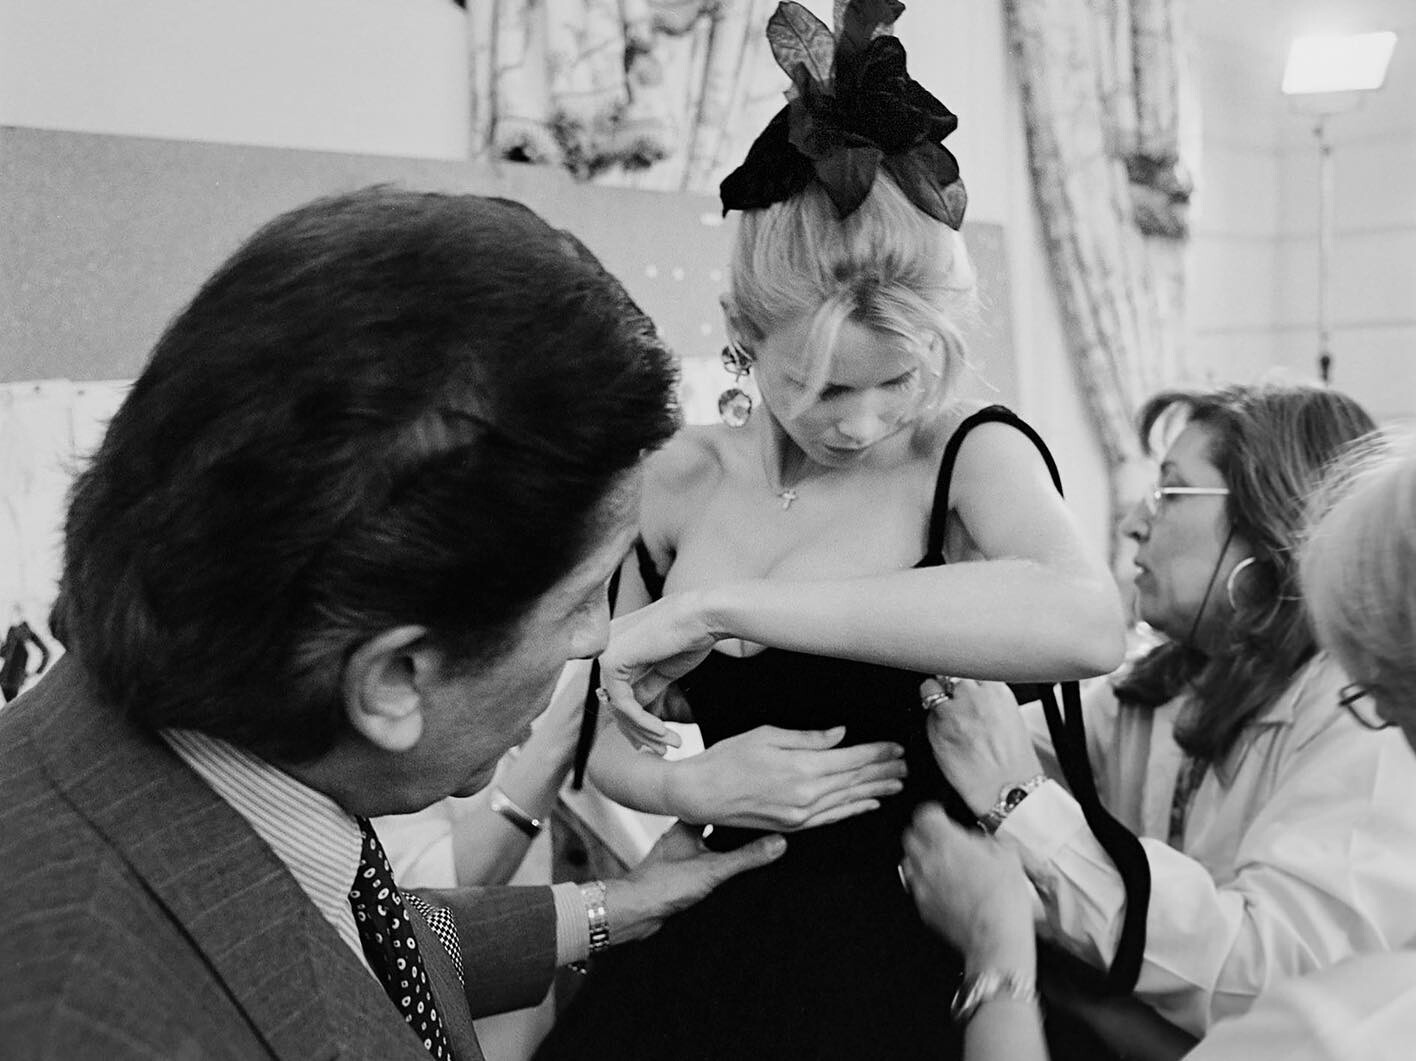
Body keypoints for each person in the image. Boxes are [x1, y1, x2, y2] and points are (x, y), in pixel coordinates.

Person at [0, 187, 790, 1061]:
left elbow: (333, 937)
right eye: (580, 600)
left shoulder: (165, 746)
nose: (599, 639)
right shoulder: (85, 1023)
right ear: (392, 679)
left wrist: (612, 907)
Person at [533, 4, 1125, 1058]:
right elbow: (603, 736)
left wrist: (724, 608)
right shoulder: (675, 482)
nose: (861, 422)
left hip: (913, 937)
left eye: (898, 379)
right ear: (741, 339)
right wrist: (683, 783)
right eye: (820, 387)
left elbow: (1088, 623)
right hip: (713, 930)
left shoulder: (965, 455)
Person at [919, 383, 1416, 1049]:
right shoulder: (1168, 682)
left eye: (1170, 491)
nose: (1133, 522)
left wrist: (1020, 803)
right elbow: (977, 746)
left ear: (1268, 517)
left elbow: (1267, 977)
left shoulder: (1369, 711)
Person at [1184, 429, 1416, 1061]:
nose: (1133, 524)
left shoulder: (1337, 1027)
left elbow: (1264, 964)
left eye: (1169, 493)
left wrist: (1001, 960)